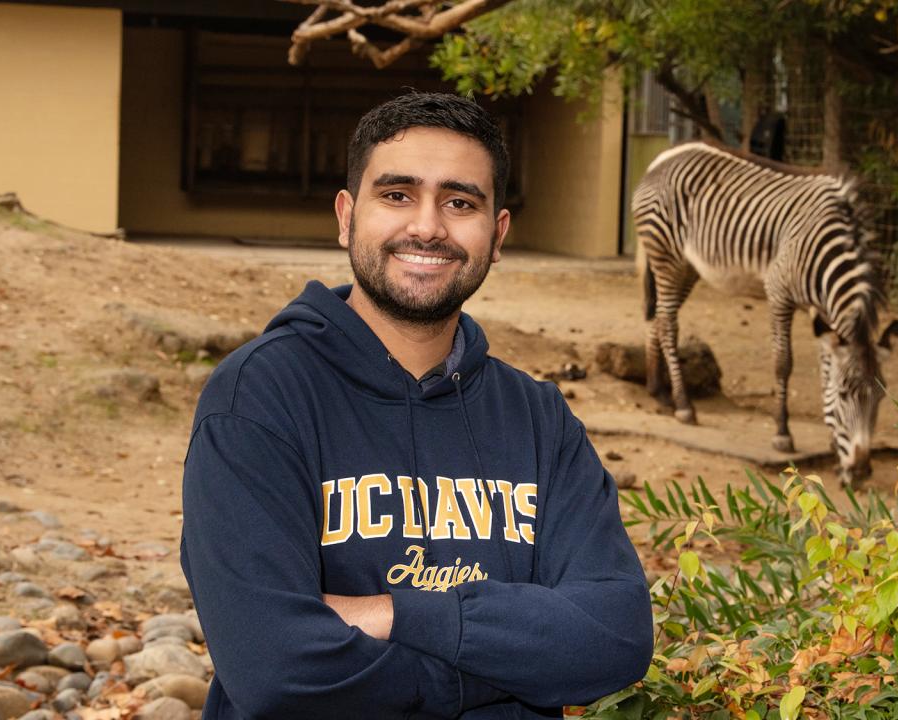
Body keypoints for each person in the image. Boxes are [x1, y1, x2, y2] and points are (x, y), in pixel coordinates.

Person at [180, 92, 653, 719]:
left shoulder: (538, 418)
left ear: (498, 233)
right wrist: (513, 666)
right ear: (346, 217)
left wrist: (391, 613)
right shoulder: (258, 398)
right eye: (397, 195)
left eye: (460, 202)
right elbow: (274, 669)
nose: (428, 226)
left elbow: (616, 636)